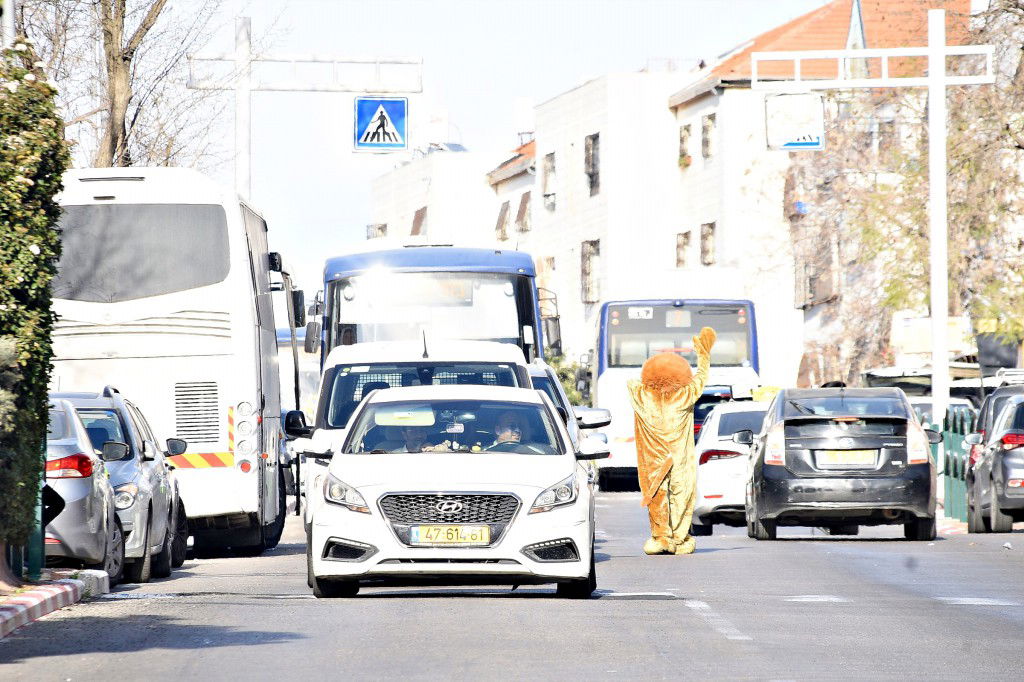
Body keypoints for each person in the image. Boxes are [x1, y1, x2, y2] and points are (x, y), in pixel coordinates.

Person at [628, 326, 716, 555]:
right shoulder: (685, 395)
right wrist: (704, 356)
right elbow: (701, 379)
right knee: (682, 494)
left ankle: (660, 537)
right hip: (679, 457)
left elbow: (632, 384)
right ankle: (678, 537)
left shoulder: (640, 395)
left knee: (657, 496)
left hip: (654, 458)